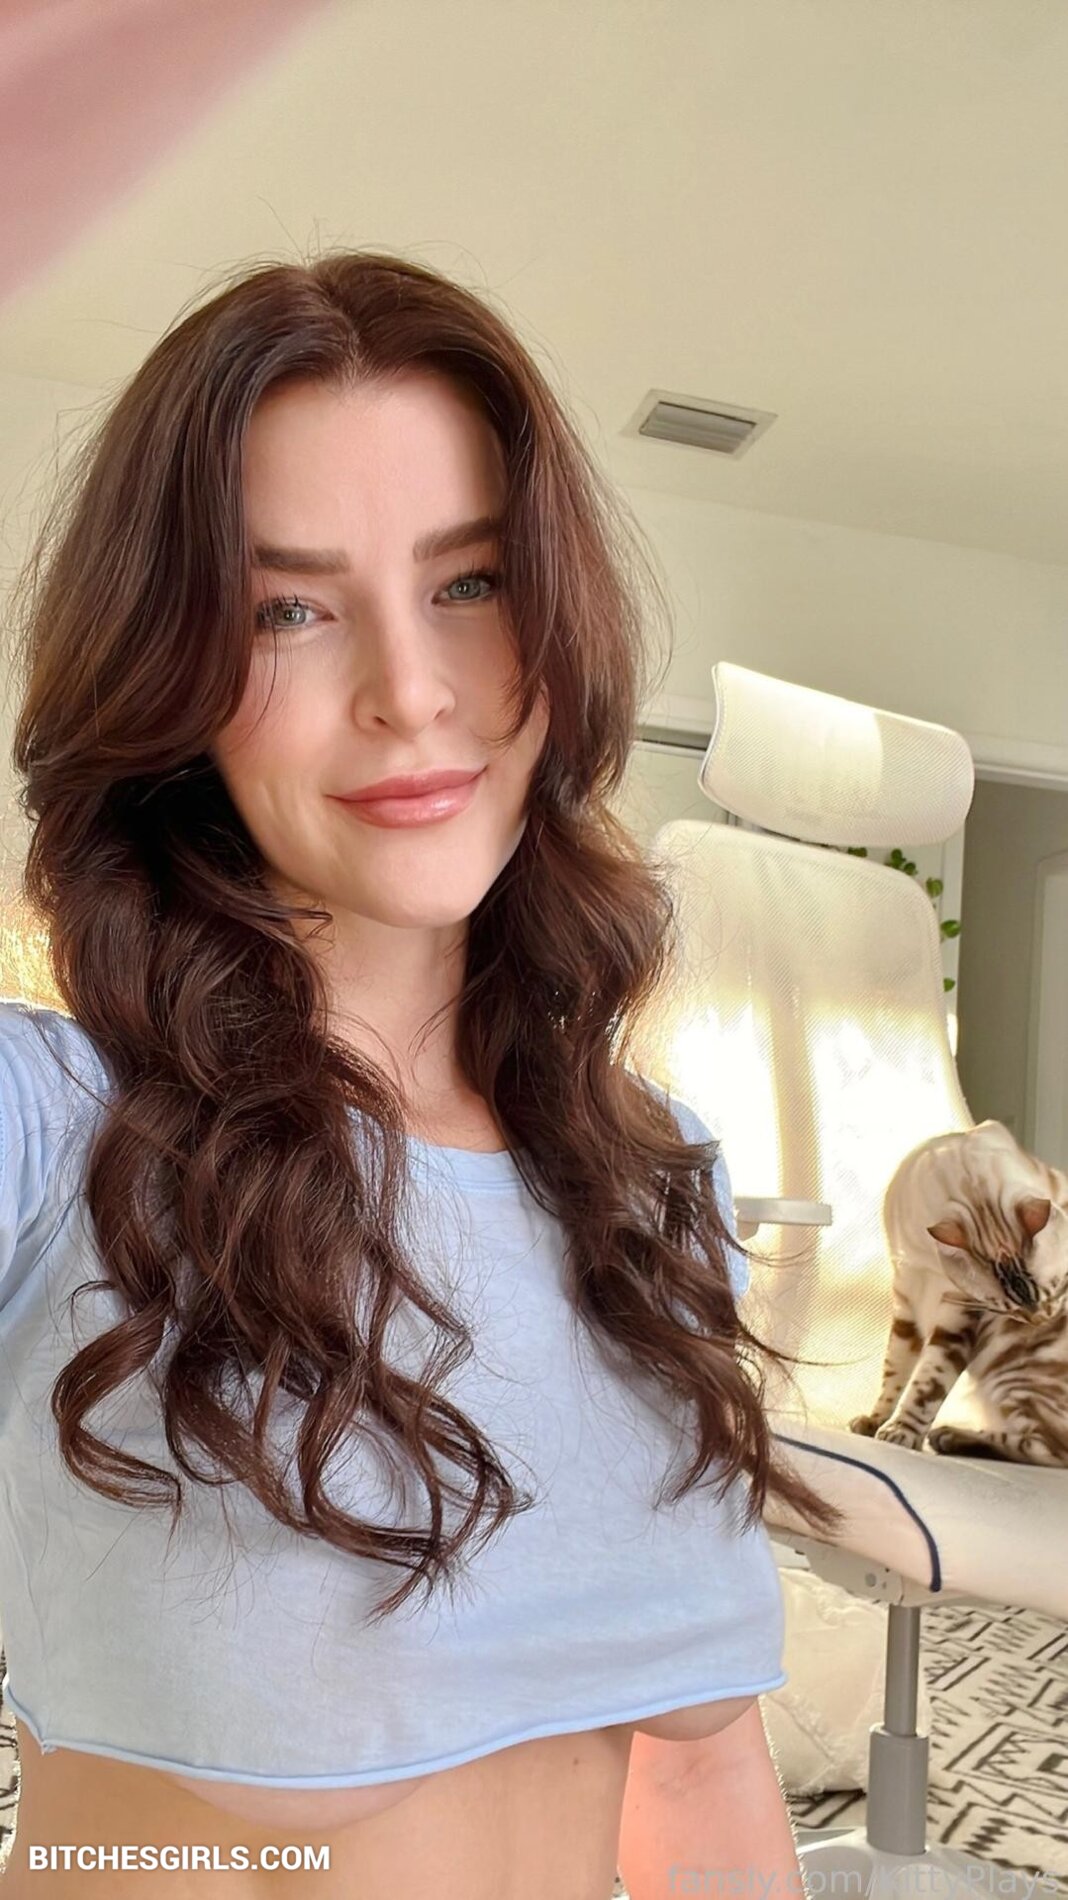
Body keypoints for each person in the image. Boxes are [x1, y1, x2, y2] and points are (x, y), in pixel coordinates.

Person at [0, 250, 841, 1899]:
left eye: (468, 582)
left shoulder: (656, 1180)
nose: (410, 693)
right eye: (288, 610)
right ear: (174, 682)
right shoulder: (61, 1127)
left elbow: (701, 1772)